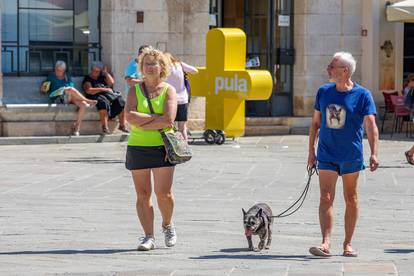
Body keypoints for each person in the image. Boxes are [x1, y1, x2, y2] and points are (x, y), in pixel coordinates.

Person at [307, 52, 379, 257]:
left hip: (351, 155)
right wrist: (311, 152)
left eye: (332, 66)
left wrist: (374, 153)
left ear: (344, 70)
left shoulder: (363, 95)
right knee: (325, 196)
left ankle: (348, 243)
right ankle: (325, 243)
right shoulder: (323, 92)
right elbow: (315, 124)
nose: (328, 69)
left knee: (351, 198)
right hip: (327, 153)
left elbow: (371, 125)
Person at [125, 47, 178, 251]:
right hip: (138, 146)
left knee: (164, 194)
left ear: (161, 66)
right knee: (143, 194)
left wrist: (143, 120)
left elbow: (169, 120)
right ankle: (148, 236)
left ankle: (168, 224)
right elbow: (129, 117)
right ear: (141, 67)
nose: (149, 67)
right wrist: (156, 120)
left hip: (163, 147)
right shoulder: (134, 90)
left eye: (153, 63)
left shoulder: (168, 90)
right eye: (145, 63)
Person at [40, 60, 97, 136]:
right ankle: (88, 100)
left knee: (83, 105)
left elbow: (71, 88)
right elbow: (43, 91)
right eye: (57, 70)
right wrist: (43, 88)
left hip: (69, 97)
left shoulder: (67, 76)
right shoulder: (51, 76)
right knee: (70, 90)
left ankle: (77, 127)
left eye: (60, 71)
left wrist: (65, 89)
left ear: (64, 71)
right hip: (58, 98)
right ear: (55, 68)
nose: (58, 72)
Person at [83, 62, 128, 134]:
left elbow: (112, 83)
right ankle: (105, 127)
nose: (95, 73)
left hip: (107, 96)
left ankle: (122, 125)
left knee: (120, 101)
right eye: (94, 71)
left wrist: (106, 73)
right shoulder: (87, 78)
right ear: (91, 70)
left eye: (97, 71)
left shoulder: (102, 77)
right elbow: (89, 90)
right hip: (95, 96)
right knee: (103, 103)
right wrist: (104, 89)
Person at [164, 52, 198, 140]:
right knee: (182, 128)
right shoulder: (180, 64)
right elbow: (195, 70)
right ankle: (185, 148)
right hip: (183, 100)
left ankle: (173, 147)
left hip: (170, 100)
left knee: (170, 127)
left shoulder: (163, 68)